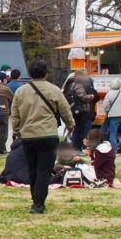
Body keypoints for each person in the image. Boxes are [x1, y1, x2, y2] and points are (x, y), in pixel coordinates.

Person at [10, 58, 75, 215]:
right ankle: (39, 202)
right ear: (46, 72)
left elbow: (15, 114)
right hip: (48, 135)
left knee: (32, 169)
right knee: (44, 170)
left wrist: (18, 131)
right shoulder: (54, 90)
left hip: (28, 136)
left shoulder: (21, 91)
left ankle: (35, 199)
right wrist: (70, 125)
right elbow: (65, 110)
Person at [63, 70, 99, 152]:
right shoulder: (79, 84)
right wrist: (92, 96)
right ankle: (81, 147)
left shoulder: (74, 84)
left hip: (77, 111)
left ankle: (76, 147)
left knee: (78, 130)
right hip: (82, 111)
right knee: (82, 130)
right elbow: (83, 96)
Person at [99, 78, 121, 154]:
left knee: (113, 134)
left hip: (113, 116)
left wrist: (108, 111)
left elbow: (105, 105)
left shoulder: (109, 94)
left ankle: (115, 150)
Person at [0, 74, 15, 156]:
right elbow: (12, 98)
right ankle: (1, 148)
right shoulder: (6, 89)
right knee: (3, 132)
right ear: (4, 80)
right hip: (4, 112)